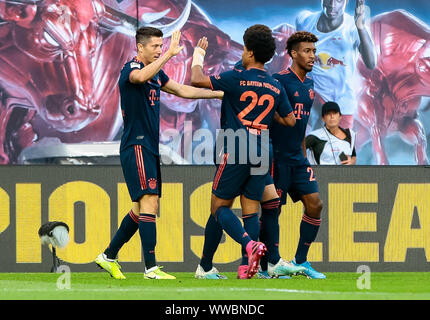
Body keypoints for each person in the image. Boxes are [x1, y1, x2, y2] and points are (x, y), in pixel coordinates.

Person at [95, 27, 223, 280]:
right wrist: (169, 56)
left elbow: (183, 91)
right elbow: (139, 78)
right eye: (155, 46)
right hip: (137, 144)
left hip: (150, 147)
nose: (159, 50)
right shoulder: (130, 68)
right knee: (150, 202)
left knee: (141, 207)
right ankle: (151, 268)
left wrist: (219, 93)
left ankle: (108, 256)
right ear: (140, 47)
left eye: (161, 46)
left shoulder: (156, 74)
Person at [190, 24, 298, 279]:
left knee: (218, 208)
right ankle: (243, 269)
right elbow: (290, 120)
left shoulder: (235, 77)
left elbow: (196, 79)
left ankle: (248, 245)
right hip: (263, 149)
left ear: (249, 53)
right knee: (251, 208)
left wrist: (198, 55)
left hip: (236, 145)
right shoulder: (275, 86)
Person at [258, 31, 326, 279]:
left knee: (315, 205)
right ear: (293, 53)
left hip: (298, 158)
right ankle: (266, 266)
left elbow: (301, 124)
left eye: (314, 51)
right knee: (273, 212)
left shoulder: (309, 84)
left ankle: (301, 260)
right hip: (276, 157)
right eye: (307, 51)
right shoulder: (279, 80)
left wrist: (302, 153)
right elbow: (268, 117)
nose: (312, 56)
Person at [295, 0, 376, 130]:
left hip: (342, 103)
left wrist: (360, 27)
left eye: (338, 0)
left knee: (339, 149)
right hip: (314, 98)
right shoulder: (305, 21)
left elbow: (371, 63)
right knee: (312, 143)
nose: (332, 5)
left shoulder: (353, 28)